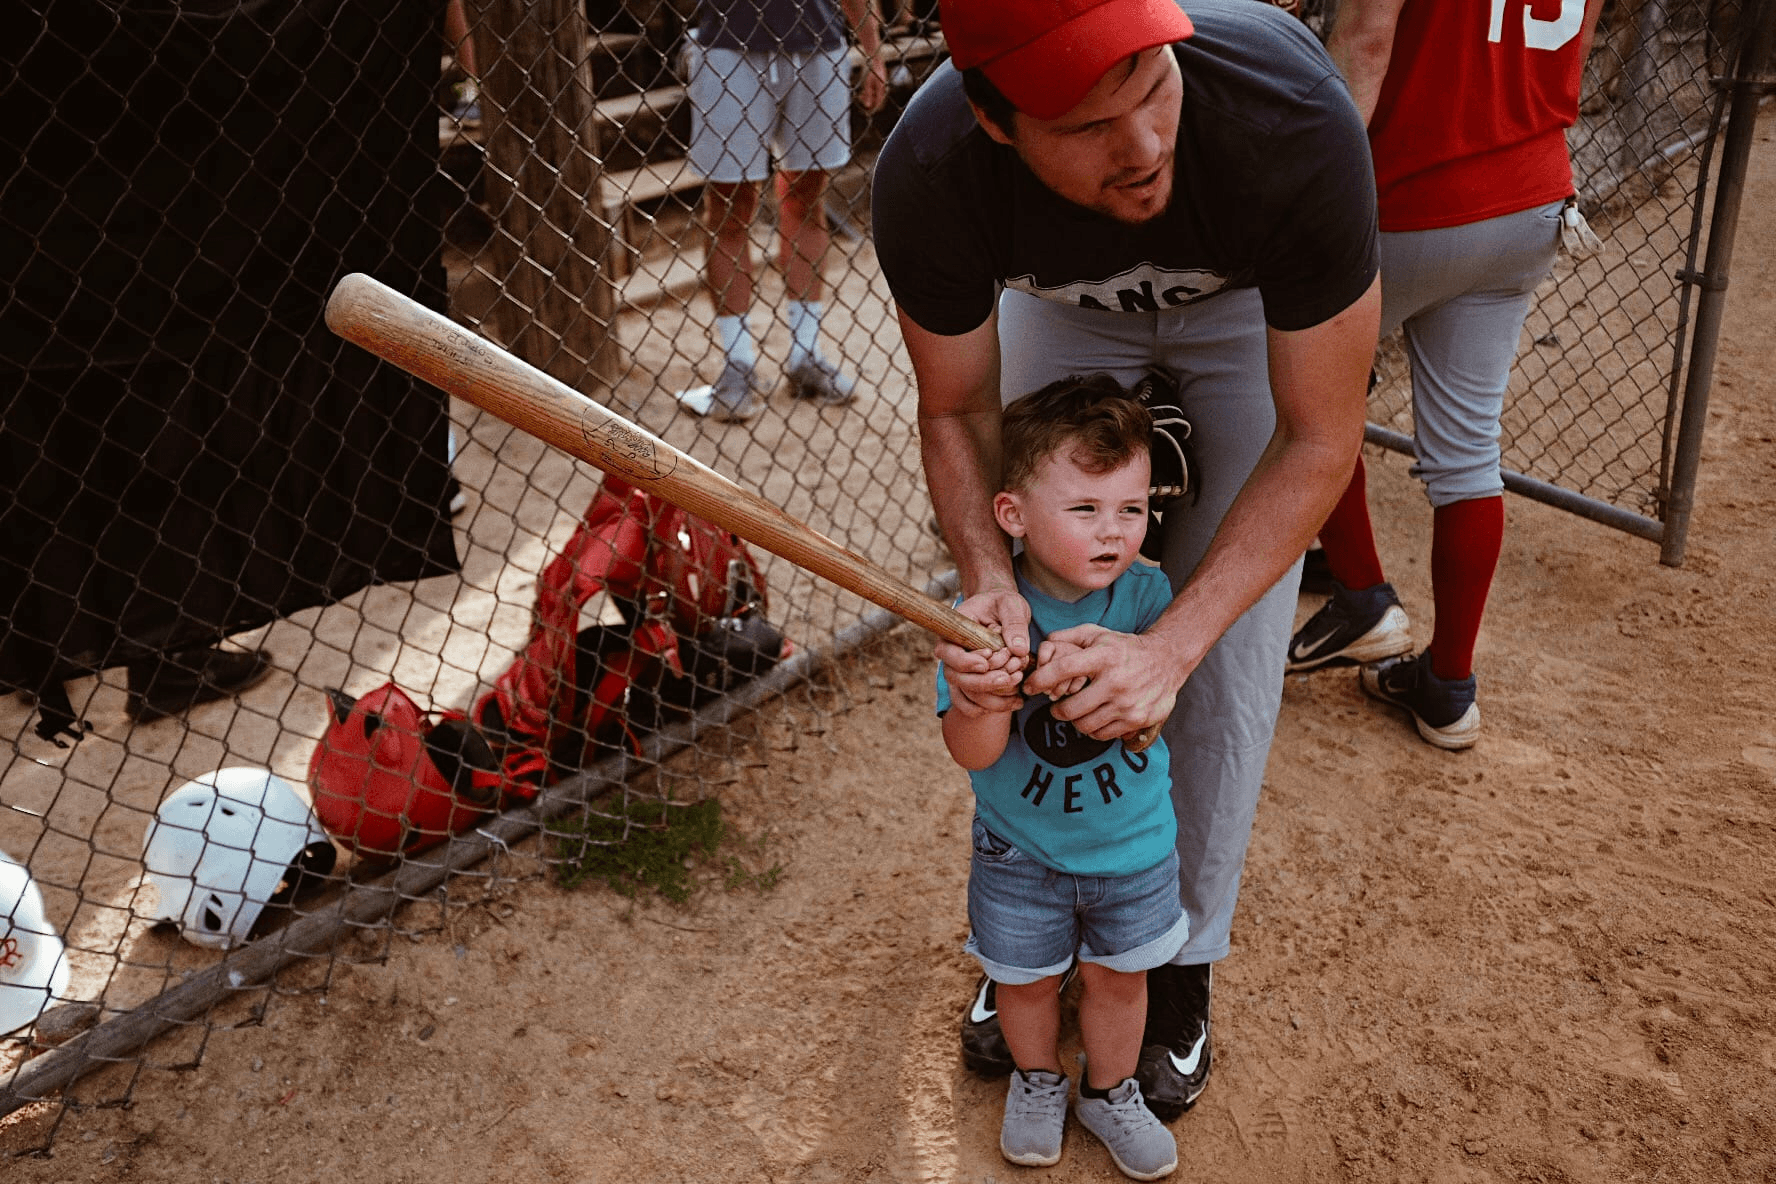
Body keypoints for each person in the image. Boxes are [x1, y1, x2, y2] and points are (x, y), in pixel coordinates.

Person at [873, 0, 1381, 1124]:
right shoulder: (934, 169)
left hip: (1246, 308)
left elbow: (1322, 438)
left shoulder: (1289, 114)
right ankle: (1029, 946)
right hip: (1065, 303)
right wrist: (990, 577)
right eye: (1090, 121)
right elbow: (954, 407)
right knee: (1037, 605)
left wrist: (1174, 642)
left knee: (1226, 646)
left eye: (1154, 85)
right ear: (996, 123)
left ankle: (1179, 955)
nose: (1145, 143)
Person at [1286, 0, 1605, 750]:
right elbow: (1577, 52)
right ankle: (1448, 690)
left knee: (1298, 397)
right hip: (1532, 195)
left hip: (1412, 193)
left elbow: (1364, 43)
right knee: (1467, 451)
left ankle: (1362, 592)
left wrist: (1310, 194)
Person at [938, 376, 1185, 1178]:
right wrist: (985, 696)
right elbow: (973, 755)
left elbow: (1151, 717)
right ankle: (1037, 1080)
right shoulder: (980, 618)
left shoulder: (1149, 596)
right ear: (1012, 515)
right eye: (1085, 510)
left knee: (1121, 981)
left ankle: (1109, 1091)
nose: (1114, 533)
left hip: (1133, 847)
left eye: (1132, 508)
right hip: (1021, 851)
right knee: (1028, 983)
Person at [681, 0, 890, 420]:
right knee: (729, 203)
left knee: (806, 197)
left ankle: (805, 356)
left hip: (817, 41)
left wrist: (871, 48)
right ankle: (738, 366)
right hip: (728, 40)